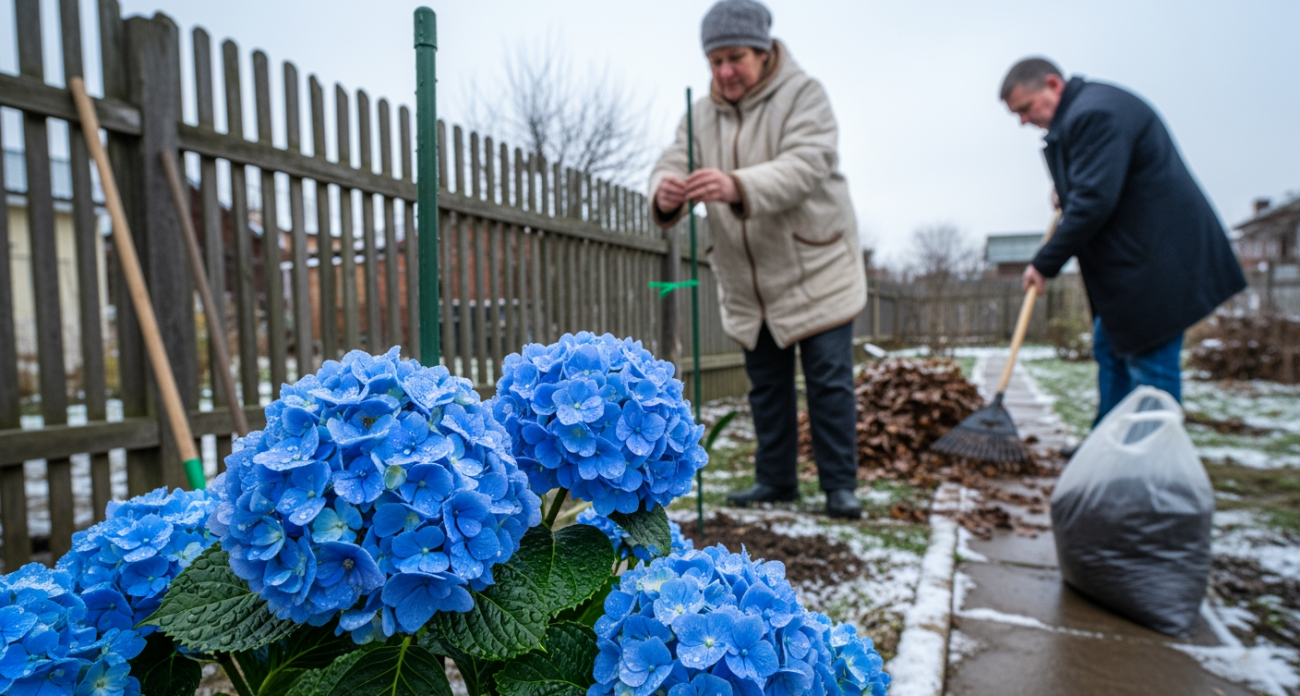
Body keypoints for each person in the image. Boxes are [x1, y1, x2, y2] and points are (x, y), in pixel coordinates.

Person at [649, 0, 866, 518]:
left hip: (817, 269)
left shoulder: (803, 94)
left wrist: (735, 184)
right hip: (749, 281)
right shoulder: (700, 115)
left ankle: (840, 486)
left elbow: (809, 163)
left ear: (764, 52)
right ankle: (776, 480)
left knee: (827, 382)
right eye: (715, 61)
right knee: (767, 386)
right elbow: (672, 159)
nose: (725, 71)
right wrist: (665, 191)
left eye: (736, 58)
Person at [1001, 58, 1246, 429]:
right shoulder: (1087, 112)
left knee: (1151, 365)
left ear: (1053, 84)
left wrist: (1044, 263)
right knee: (1110, 351)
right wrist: (1067, 187)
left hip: (1155, 263)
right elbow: (1097, 183)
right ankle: (1104, 454)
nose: (1023, 120)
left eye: (1025, 108)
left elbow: (1094, 203)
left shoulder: (1096, 113)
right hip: (1131, 267)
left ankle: (1147, 466)